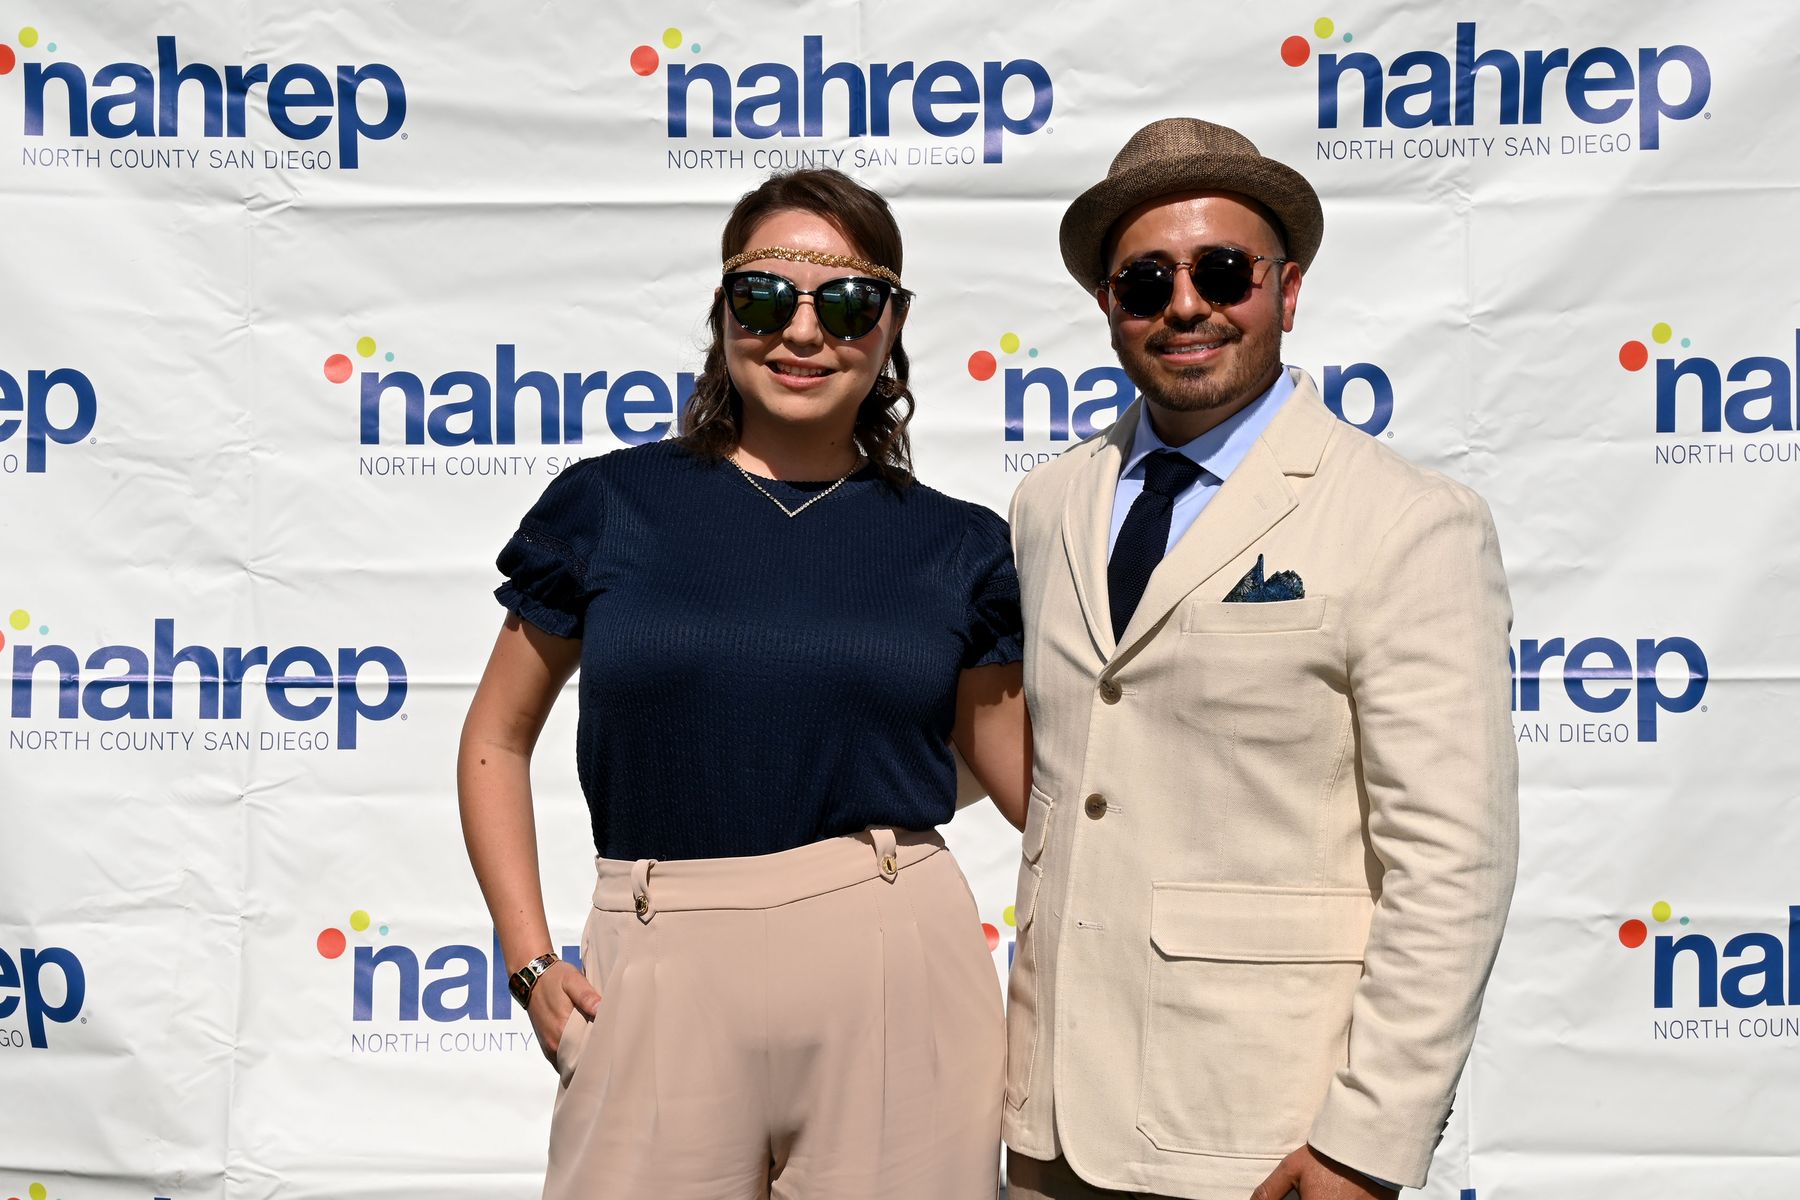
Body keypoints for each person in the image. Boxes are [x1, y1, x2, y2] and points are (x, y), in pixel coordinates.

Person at [457, 167, 1029, 1200]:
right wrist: (532, 963)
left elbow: (1036, 786)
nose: (803, 332)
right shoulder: (608, 505)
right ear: (723, 311)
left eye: (846, 303)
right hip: (656, 959)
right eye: (766, 297)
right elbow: (496, 738)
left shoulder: (960, 546)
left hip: (897, 963)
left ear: (892, 324)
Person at [1000, 118, 1519, 1200]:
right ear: (1108, 305)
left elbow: (1450, 861)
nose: (1185, 304)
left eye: (1223, 271)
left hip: (1268, 1138)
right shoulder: (1047, 503)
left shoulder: (1406, 519)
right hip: (1051, 1128)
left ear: (1287, 291)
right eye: (1147, 281)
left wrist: (1366, 1141)